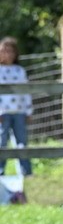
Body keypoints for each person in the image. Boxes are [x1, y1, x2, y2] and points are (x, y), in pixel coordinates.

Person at [0, 36, 33, 178]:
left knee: (22, 142)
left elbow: (26, 91)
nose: (7, 54)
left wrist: (28, 111)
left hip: (19, 111)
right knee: (2, 142)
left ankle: (26, 172)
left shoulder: (19, 71)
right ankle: (0, 171)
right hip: (3, 112)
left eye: (10, 51)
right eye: (4, 51)